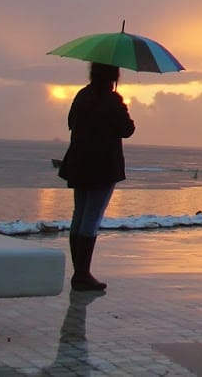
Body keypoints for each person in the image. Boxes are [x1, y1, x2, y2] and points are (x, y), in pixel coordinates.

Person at [56, 62, 135, 292]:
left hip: (79, 163)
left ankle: (78, 272)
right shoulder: (112, 100)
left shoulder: (83, 95)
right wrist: (122, 106)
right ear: (113, 75)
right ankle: (82, 274)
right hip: (102, 166)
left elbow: (71, 122)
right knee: (91, 217)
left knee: (79, 215)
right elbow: (127, 130)